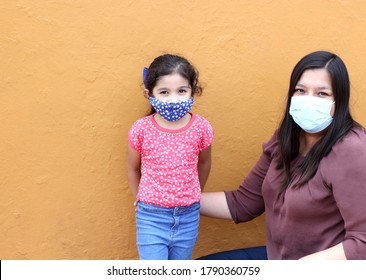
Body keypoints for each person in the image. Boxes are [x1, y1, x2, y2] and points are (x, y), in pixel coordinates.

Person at [199, 50, 366, 260]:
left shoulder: (352, 150)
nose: (309, 100)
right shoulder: (284, 139)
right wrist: (173, 200)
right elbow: (243, 204)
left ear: (339, 101)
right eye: (301, 90)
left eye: (322, 93)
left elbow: (362, 241)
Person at [126, 54, 214, 260]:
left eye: (182, 91)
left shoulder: (201, 127)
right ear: (150, 94)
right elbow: (132, 168)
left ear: (194, 91)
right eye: (164, 92)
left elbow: (204, 162)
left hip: (189, 216)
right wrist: (138, 197)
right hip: (150, 217)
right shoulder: (141, 129)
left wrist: (195, 192)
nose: (173, 100)